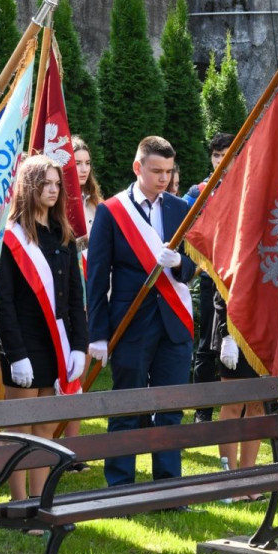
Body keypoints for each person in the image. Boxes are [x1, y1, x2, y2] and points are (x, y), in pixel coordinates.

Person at [86, 136, 196, 487]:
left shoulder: (181, 209)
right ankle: (120, 483)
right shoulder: (112, 211)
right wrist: (98, 334)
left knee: (171, 406)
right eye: (156, 171)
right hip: (130, 323)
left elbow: (200, 263)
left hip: (174, 323)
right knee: (127, 405)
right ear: (138, 168)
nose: (163, 178)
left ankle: (168, 485)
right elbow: (97, 275)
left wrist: (181, 263)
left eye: (168, 171)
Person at [0, 155, 88, 501]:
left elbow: (76, 297)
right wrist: (15, 355)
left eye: (56, 184)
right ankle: (19, 502)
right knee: (20, 427)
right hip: (25, 341)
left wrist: (79, 344)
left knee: (45, 425)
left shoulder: (63, 234)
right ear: (28, 187)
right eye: (45, 183)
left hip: (57, 340)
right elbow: (3, 303)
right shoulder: (11, 238)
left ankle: (40, 498)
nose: (52, 190)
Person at [185, 133, 234, 423]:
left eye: (226, 154)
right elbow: (185, 229)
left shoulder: (248, 188)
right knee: (207, 341)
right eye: (216, 155)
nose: (220, 160)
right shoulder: (199, 191)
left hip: (242, 277)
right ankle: (203, 410)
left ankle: (243, 403)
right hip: (210, 275)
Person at [213, 294, 264, 500]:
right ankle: (230, 480)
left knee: (258, 406)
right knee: (234, 405)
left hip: (265, 333)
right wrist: (226, 334)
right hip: (237, 331)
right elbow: (222, 288)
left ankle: (247, 478)